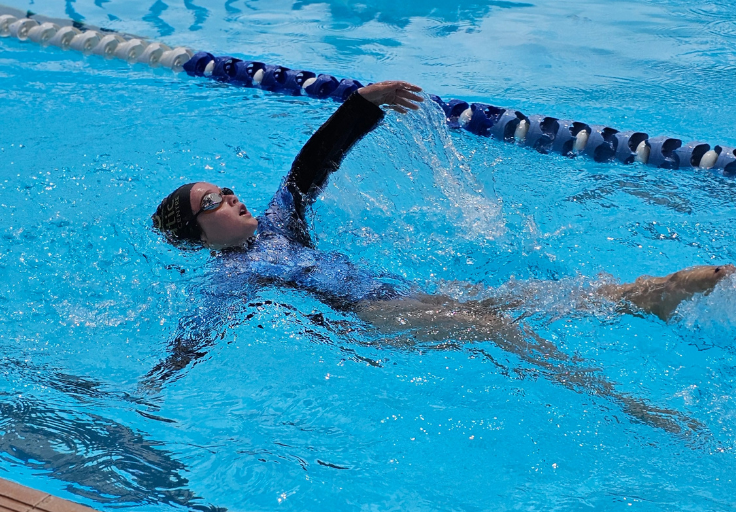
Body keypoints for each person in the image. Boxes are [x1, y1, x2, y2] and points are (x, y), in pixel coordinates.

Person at [150, 80, 733, 433]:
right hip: (378, 320)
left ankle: (652, 294)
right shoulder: (234, 275)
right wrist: (156, 383)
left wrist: (362, 104)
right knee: (496, 324)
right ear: (198, 234)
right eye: (212, 200)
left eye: (225, 188)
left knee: (552, 297)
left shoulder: (280, 224)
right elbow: (194, 337)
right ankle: (621, 402)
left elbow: (311, 165)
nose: (230, 196)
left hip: (407, 296)